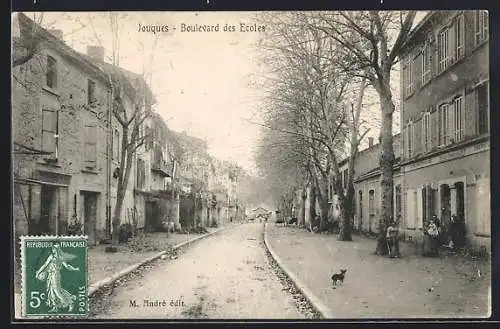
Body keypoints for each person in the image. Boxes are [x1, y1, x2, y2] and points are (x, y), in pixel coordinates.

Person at [35, 244, 80, 312]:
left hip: (56, 274)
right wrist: (38, 272)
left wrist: (75, 269)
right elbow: (45, 265)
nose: (53, 250)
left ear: (57, 250)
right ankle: (55, 307)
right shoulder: (51, 257)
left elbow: (67, 266)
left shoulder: (60, 257)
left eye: (54, 249)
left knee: (57, 290)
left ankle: (70, 303)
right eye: (52, 249)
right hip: (50, 275)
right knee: (51, 291)